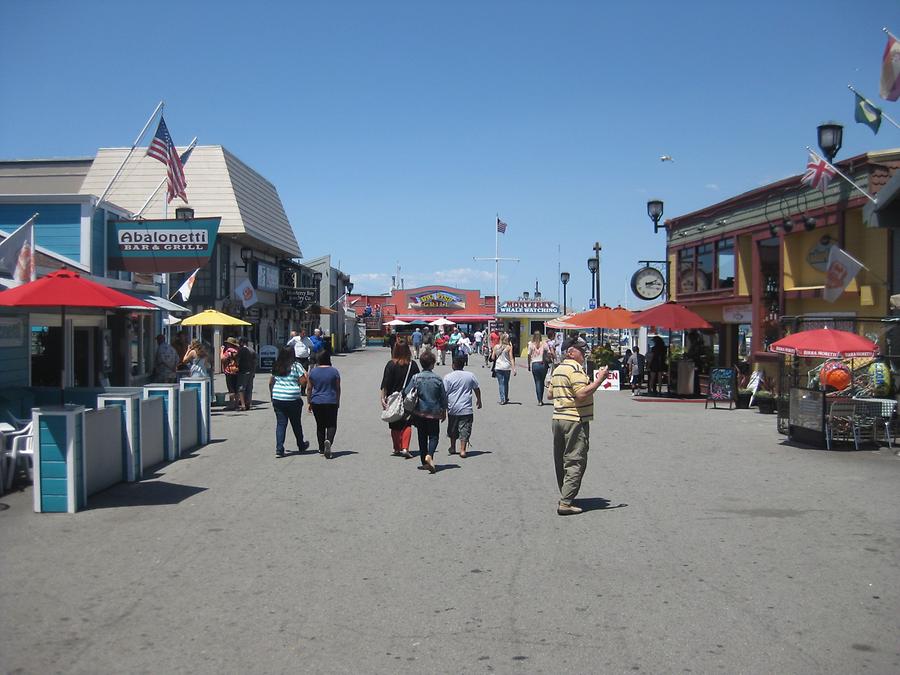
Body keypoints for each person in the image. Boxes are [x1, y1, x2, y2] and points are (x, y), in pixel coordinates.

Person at [547, 337, 608, 516]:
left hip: (558, 418)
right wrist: (598, 381)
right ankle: (566, 502)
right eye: (581, 350)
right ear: (571, 352)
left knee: (561, 459)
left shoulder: (558, 369)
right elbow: (581, 394)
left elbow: (550, 394)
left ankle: (566, 494)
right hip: (574, 418)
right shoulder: (575, 369)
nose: (584, 353)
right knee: (575, 459)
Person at [403, 350, 447, 474]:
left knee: (422, 437)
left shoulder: (416, 377)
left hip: (419, 412)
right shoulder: (438, 379)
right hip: (434, 412)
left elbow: (407, 391)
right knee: (434, 436)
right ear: (432, 364)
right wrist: (444, 410)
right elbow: (443, 396)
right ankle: (430, 455)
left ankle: (424, 462)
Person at [380, 340, 420, 458]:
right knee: (407, 423)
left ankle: (397, 447)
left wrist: (382, 398)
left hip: (393, 398)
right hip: (408, 399)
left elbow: (385, 383)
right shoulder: (412, 365)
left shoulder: (391, 364)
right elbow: (417, 381)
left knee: (394, 423)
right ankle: (405, 447)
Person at [268, 347, 310, 457]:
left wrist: (272, 395)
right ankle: (301, 444)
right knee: (296, 423)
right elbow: (303, 382)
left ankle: (279, 448)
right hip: (292, 398)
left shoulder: (277, 365)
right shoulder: (296, 365)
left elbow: (271, 382)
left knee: (281, 423)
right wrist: (301, 379)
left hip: (278, 396)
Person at [443, 355, 482, 458]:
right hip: (466, 408)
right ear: (463, 364)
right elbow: (476, 388)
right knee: (465, 429)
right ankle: (463, 450)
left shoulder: (448, 377)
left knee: (452, 428)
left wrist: (443, 408)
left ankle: (452, 447)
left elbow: (444, 393)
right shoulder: (470, 375)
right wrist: (479, 400)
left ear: (453, 365)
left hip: (453, 408)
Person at [307, 351, 341, 458]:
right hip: (331, 400)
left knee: (320, 425)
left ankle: (321, 449)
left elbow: (309, 388)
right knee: (331, 424)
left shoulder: (313, 372)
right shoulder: (334, 371)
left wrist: (309, 401)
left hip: (317, 401)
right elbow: (337, 388)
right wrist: (337, 400)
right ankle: (329, 441)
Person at [491, 332, 516, 404]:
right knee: (506, 383)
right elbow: (511, 358)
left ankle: (502, 399)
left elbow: (493, 358)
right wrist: (514, 368)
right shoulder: (509, 347)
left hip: (498, 367)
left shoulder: (496, 347)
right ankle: (506, 397)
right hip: (507, 367)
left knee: (501, 383)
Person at [527, 330, 551, 405]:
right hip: (543, 363)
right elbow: (549, 353)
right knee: (542, 381)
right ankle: (541, 399)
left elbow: (529, 355)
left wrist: (528, 365)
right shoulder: (544, 343)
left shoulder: (531, 344)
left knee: (537, 382)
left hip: (535, 364)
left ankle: (539, 400)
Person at [220, 337, 241, 409]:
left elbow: (222, 358)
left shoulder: (229, 351)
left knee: (231, 388)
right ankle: (236, 404)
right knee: (236, 388)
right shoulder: (237, 350)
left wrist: (221, 350)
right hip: (237, 370)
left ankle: (231, 404)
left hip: (229, 372)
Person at [237, 337, 256, 411]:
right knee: (249, 388)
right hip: (251, 371)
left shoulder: (241, 350)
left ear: (242, 342)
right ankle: (249, 403)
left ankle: (243, 405)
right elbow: (255, 361)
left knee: (241, 388)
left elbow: (237, 360)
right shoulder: (251, 350)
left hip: (243, 371)